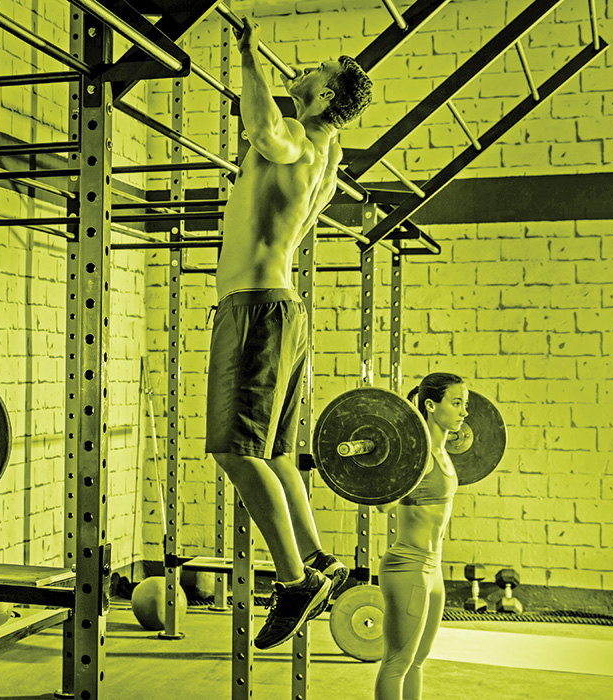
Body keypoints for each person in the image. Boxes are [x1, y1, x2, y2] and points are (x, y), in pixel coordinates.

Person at [206, 17, 374, 650]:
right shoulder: (325, 158)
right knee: (275, 452)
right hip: (277, 311)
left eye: (319, 71)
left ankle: (294, 580)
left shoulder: (300, 139)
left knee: (234, 451)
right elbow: (298, 151)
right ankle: (319, 557)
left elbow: (262, 130)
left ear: (325, 97)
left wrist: (248, 55)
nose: (303, 69)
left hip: (255, 309)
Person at [375, 373, 465, 700]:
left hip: (434, 568)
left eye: (464, 404)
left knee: (417, 662)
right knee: (397, 662)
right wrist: (383, 470)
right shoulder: (418, 454)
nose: (464, 412)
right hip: (408, 567)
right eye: (456, 403)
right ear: (430, 405)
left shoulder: (444, 452)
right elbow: (383, 505)